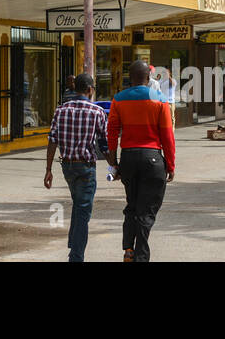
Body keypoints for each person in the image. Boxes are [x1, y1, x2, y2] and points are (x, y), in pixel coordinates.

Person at [107, 60, 175, 262]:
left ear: (130, 78)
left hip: (128, 157)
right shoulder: (159, 99)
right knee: (147, 210)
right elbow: (167, 137)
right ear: (148, 78)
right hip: (152, 159)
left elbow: (111, 133)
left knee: (132, 205)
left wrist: (113, 164)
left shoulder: (118, 99)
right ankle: (141, 255)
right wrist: (170, 165)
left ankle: (128, 249)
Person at [44, 73, 108, 262]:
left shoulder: (61, 110)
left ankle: (74, 242)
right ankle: (76, 256)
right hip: (86, 168)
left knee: (78, 204)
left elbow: (52, 141)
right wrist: (115, 165)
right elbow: (105, 144)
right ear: (89, 90)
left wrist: (48, 170)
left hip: (68, 168)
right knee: (83, 211)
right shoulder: (97, 112)